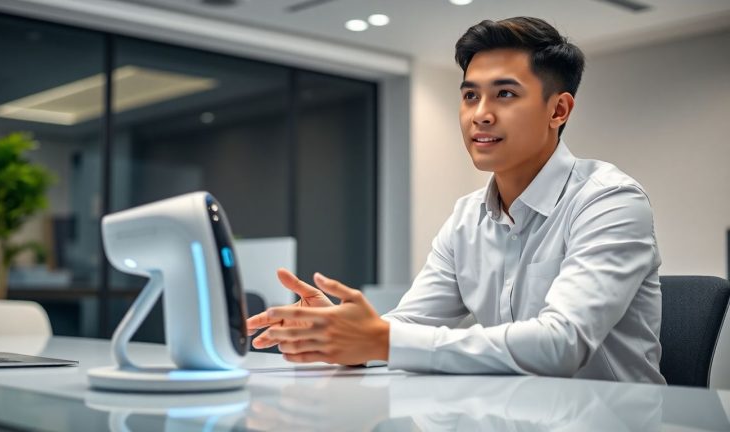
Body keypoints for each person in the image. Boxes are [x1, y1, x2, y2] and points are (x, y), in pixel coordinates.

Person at [246, 16, 665, 384]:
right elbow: (411, 324)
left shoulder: (609, 200)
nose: (480, 114)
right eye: (469, 96)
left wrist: (381, 339)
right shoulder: (468, 216)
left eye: (504, 94)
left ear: (558, 110)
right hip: (511, 415)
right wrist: (347, 333)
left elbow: (561, 344)